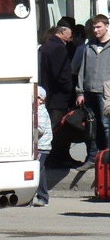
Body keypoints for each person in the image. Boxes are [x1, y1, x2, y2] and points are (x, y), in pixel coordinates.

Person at [75, 14, 110, 172]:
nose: (95, 30)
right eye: (94, 28)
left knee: (106, 126)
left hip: (106, 94)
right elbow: (82, 70)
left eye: (99, 27)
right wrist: (80, 92)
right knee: (91, 126)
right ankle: (92, 157)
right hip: (89, 92)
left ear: (106, 26)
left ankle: (107, 158)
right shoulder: (89, 47)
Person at [38, 22, 74, 167]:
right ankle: (57, 159)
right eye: (70, 32)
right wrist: (68, 88)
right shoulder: (58, 48)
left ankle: (52, 159)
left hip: (49, 94)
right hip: (58, 97)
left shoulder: (46, 46)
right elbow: (61, 74)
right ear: (63, 31)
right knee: (58, 129)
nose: (71, 37)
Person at [34, 86, 51, 206]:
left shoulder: (40, 112)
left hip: (42, 146)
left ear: (42, 100)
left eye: (37, 98)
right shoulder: (36, 111)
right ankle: (43, 196)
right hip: (40, 146)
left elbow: (40, 129)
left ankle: (38, 197)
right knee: (40, 171)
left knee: (36, 171)